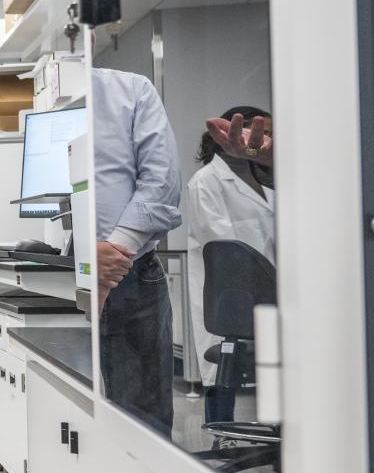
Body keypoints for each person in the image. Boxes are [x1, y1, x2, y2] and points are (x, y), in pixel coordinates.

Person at [93, 67, 183, 433]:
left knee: (140, 419)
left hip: (130, 272)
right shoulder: (51, 99)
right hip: (69, 271)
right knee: (72, 411)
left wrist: (113, 255)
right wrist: (85, 260)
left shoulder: (130, 90)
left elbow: (161, 180)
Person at [186, 106, 275, 422]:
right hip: (229, 295)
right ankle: (222, 434)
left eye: (268, 132)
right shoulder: (205, 181)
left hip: (270, 292)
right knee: (222, 367)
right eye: (258, 131)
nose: (264, 138)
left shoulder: (268, 179)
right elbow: (222, 244)